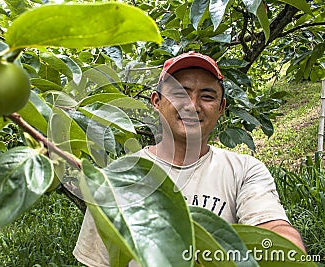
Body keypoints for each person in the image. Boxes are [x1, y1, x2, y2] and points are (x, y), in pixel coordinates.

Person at [73, 51, 306, 266]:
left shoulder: (244, 170)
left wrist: (289, 252)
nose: (193, 106)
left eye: (207, 96)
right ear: (156, 101)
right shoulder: (116, 177)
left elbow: (271, 226)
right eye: (179, 93)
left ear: (221, 107)